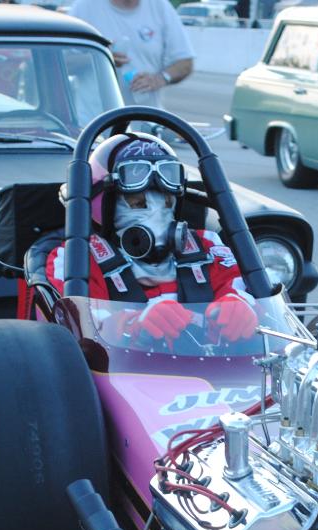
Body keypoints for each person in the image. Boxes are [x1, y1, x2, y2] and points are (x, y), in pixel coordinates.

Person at [44, 134, 258, 344]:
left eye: (166, 201)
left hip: (212, 364)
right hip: (123, 365)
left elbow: (246, 288)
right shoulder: (75, 258)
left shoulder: (207, 245)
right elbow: (80, 324)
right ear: (104, 205)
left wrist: (240, 303)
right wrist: (132, 326)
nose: (156, 213)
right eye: (138, 203)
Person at [69, 0, 194, 108]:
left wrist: (160, 79)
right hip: (95, 120)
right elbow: (64, 63)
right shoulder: (85, 7)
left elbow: (185, 62)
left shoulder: (160, 6)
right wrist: (101, 57)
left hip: (144, 119)